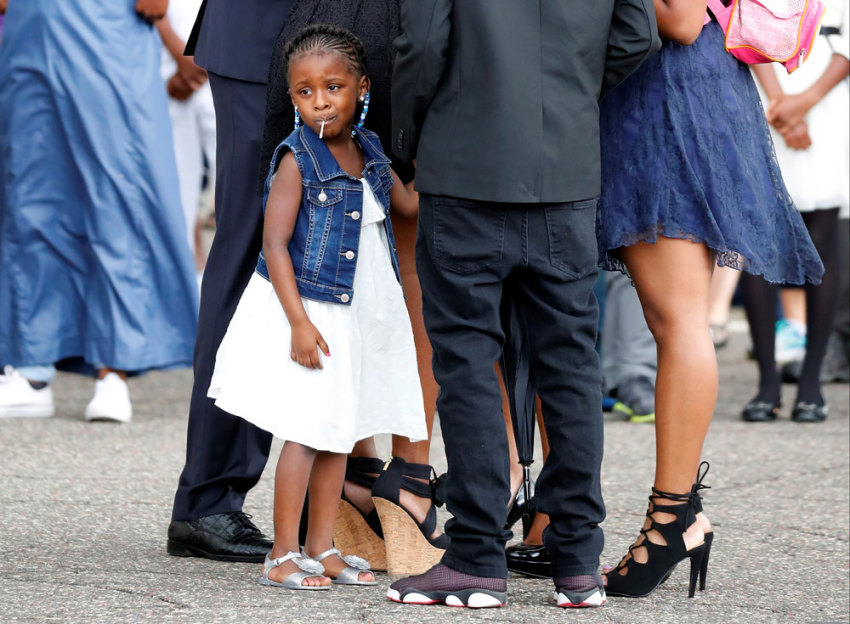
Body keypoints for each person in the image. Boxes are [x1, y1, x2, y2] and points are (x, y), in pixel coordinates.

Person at [386, 0, 659, 610]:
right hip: (563, 166)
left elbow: (424, 44)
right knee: (571, 367)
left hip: (464, 166)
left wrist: (406, 141)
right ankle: (578, 561)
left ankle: (477, 557)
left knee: (466, 364)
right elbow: (637, 36)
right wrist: (568, 91)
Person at [166, 0, 448, 567]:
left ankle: (333, 497)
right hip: (265, 35)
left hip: (368, 31)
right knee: (257, 246)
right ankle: (210, 496)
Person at [595, 0, 823, 598]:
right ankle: (680, 513)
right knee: (670, 319)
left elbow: (681, 19)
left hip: (673, 101)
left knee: (679, 322)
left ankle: (671, 520)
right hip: (661, 98)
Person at [0, 0, 198, 423]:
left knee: (117, 189)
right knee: (32, 194)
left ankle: (114, 369)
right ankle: (32, 367)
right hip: (30, 22)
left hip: (107, 18)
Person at [742, 2, 849, 423]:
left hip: (826, 103)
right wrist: (781, 105)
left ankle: (811, 383)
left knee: (822, 243)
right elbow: (747, 27)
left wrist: (804, 102)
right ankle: (767, 382)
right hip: (765, 101)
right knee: (760, 245)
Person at [156, 0, 216, 278]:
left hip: (222, 57)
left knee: (235, 183)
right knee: (177, 185)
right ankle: (189, 278)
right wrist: (180, 56)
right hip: (167, 62)